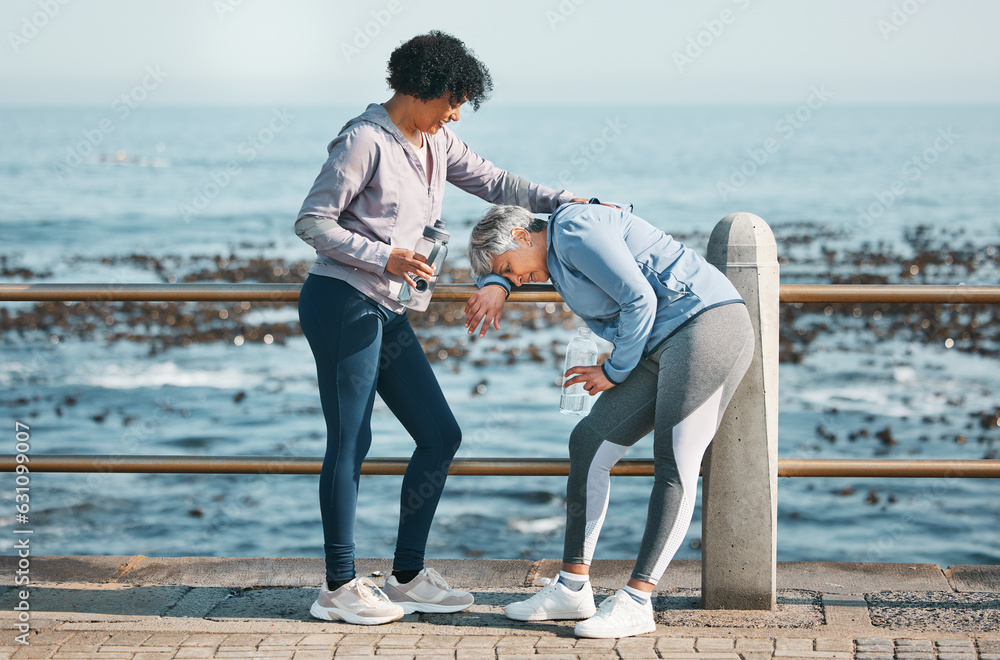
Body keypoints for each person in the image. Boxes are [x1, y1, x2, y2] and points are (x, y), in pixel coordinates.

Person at [294, 31, 588, 625]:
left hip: (387, 309)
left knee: (439, 435)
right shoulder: (363, 141)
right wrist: (385, 256)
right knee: (351, 441)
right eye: (453, 100)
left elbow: (501, 184)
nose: (456, 113)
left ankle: (405, 575)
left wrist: (569, 203)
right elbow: (312, 222)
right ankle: (338, 586)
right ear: (424, 88)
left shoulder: (437, 142)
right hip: (342, 300)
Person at [466, 201, 755, 638]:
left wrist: (613, 370)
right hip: (657, 344)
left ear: (524, 236)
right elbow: (515, 249)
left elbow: (638, 297)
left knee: (674, 462)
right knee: (589, 442)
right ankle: (572, 588)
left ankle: (639, 600)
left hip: (705, 327)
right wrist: (495, 280)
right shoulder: (551, 256)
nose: (516, 280)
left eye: (509, 268)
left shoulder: (573, 228)